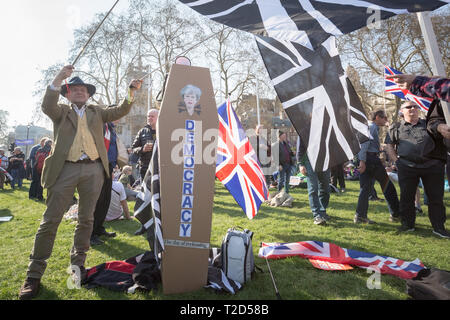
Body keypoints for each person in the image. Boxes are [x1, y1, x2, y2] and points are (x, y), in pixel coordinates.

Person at [18, 65, 142, 300]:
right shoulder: (60, 112)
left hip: (94, 170)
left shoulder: (97, 112)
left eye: (83, 89)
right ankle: (33, 276)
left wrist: (131, 91)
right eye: (74, 89)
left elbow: (121, 109)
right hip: (64, 169)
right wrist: (58, 78)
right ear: (67, 93)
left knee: (86, 220)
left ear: (88, 93)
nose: (79, 91)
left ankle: (77, 269)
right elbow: (47, 105)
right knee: (50, 221)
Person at [385, 101, 449, 239]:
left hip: (432, 166)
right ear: (402, 111)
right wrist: (397, 162)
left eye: (415, 106)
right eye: (409, 107)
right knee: (406, 197)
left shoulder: (429, 125)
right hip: (407, 167)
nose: (413, 108)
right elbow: (389, 145)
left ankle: (439, 227)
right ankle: (408, 225)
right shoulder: (395, 127)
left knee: (436, 198)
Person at [354, 110, 400, 224]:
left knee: (365, 189)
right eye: (385, 118)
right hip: (370, 161)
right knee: (387, 186)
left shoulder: (370, 126)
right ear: (377, 117)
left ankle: (360, 216)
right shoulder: (372, 127)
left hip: (369, 159)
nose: (386, 120)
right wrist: (362, 161)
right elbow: (364, 144)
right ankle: (396, 214)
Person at [90, 118, 120, 246]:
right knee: (97, 200)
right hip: (99, 166)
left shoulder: (112, 129)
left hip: (109, 166)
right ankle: (90, 234)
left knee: (105, 200)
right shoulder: (103, 126)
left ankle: (99, 228)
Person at [297, 135, 331, 225]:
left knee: (326, 188)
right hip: (310, 161)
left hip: (325, 161)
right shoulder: (305, 127)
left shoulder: (325, 125)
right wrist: (300, 164)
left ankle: (322, 211)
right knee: (313, 188)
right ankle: (317, 215)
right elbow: (300, 146)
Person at [132, 109, 159, 180]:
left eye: (152, 116)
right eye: (148, 116)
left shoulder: (164, 130)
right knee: (145, 190)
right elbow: (133, 149)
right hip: (145, 168)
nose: (149, 118)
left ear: (158, 117)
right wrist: (142, 149)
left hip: (160, 167)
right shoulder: (142, 131)